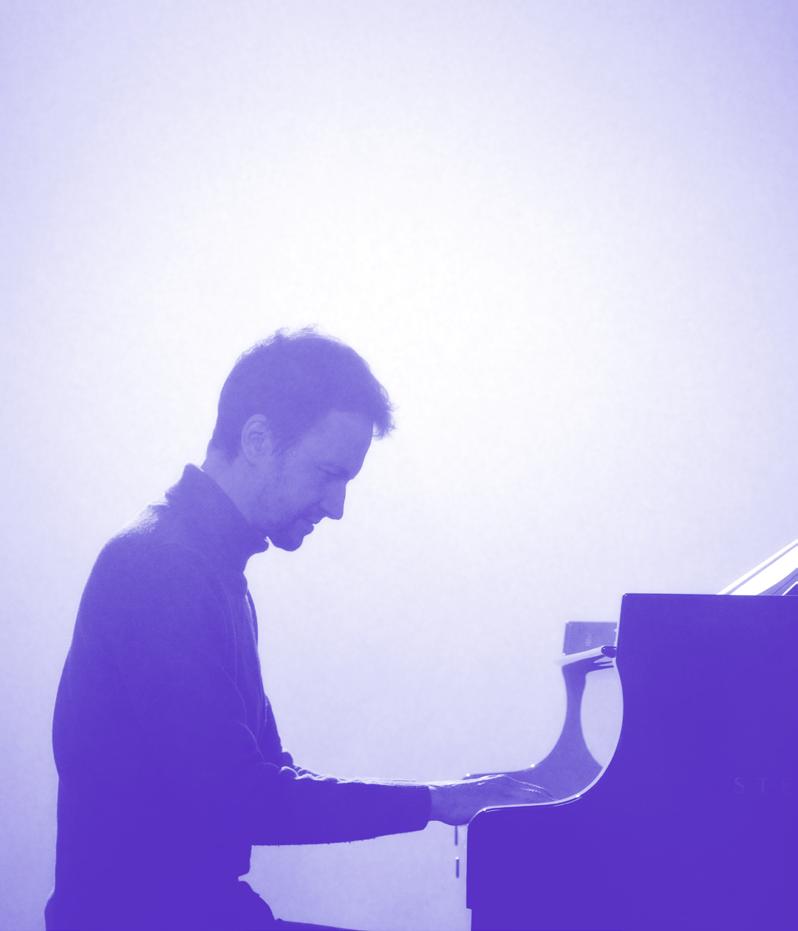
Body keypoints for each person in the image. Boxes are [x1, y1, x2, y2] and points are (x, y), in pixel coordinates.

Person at [46, 329, 549, 931]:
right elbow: (241, 799)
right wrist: (436, 801)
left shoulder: (211, 569)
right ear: (257, 440)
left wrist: (438, 795)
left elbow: (268, 776)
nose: (336, 506)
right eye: (328, 474)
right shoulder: (160, 569)